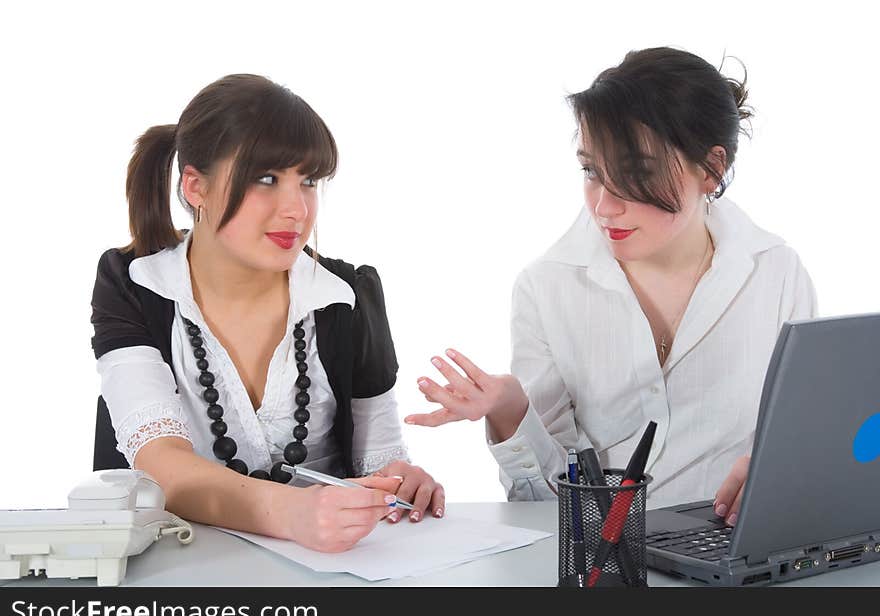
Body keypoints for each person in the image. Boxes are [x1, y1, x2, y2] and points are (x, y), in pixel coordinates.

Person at [405, 47, 816, 525]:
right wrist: (512, 412)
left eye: (637, 173)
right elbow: (549, 510)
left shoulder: (778, 275)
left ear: (711, 169)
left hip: (734, 554)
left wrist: (784, 473)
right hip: (605, 565)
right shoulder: (547, 287)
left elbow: (809, 446)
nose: (604, 206)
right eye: (591, 172)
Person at [91, 74, 443, 553]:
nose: (296, 209)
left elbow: (375, 466)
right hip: (175, 575)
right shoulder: (134, 284)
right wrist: (288, 511)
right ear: (195, 186)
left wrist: (397, 483)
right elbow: (159, 464)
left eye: (309, 181)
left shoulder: (346, 294)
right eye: (266, 179)